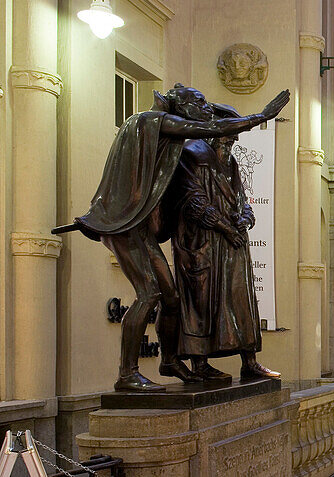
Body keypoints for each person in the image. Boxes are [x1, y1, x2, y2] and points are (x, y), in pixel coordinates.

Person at [58, 84, 289, 392]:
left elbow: (228, 190)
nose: (205, 108)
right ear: (178, 107)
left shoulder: (176, 137)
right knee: (150, 294)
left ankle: (169, 360)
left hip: (142, 224)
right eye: (199, 102)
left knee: (172, 298)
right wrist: (262, 116)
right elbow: (205, 136)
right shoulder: (150, 121)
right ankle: (127, 373)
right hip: (127, 224)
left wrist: (240, 218)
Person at [167, 115, 279, 382]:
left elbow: (242, 198)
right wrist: (226, 228)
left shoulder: (230, 162)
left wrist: (245, 218)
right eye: (229, 138)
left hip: (233, 245)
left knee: (242, 301)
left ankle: (249, 361)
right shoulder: (192, 155)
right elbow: (193, 202)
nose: (231, 143)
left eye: (233, 139)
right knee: (201, 302)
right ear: (215, 134)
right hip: (203, 244)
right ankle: (200, 364)